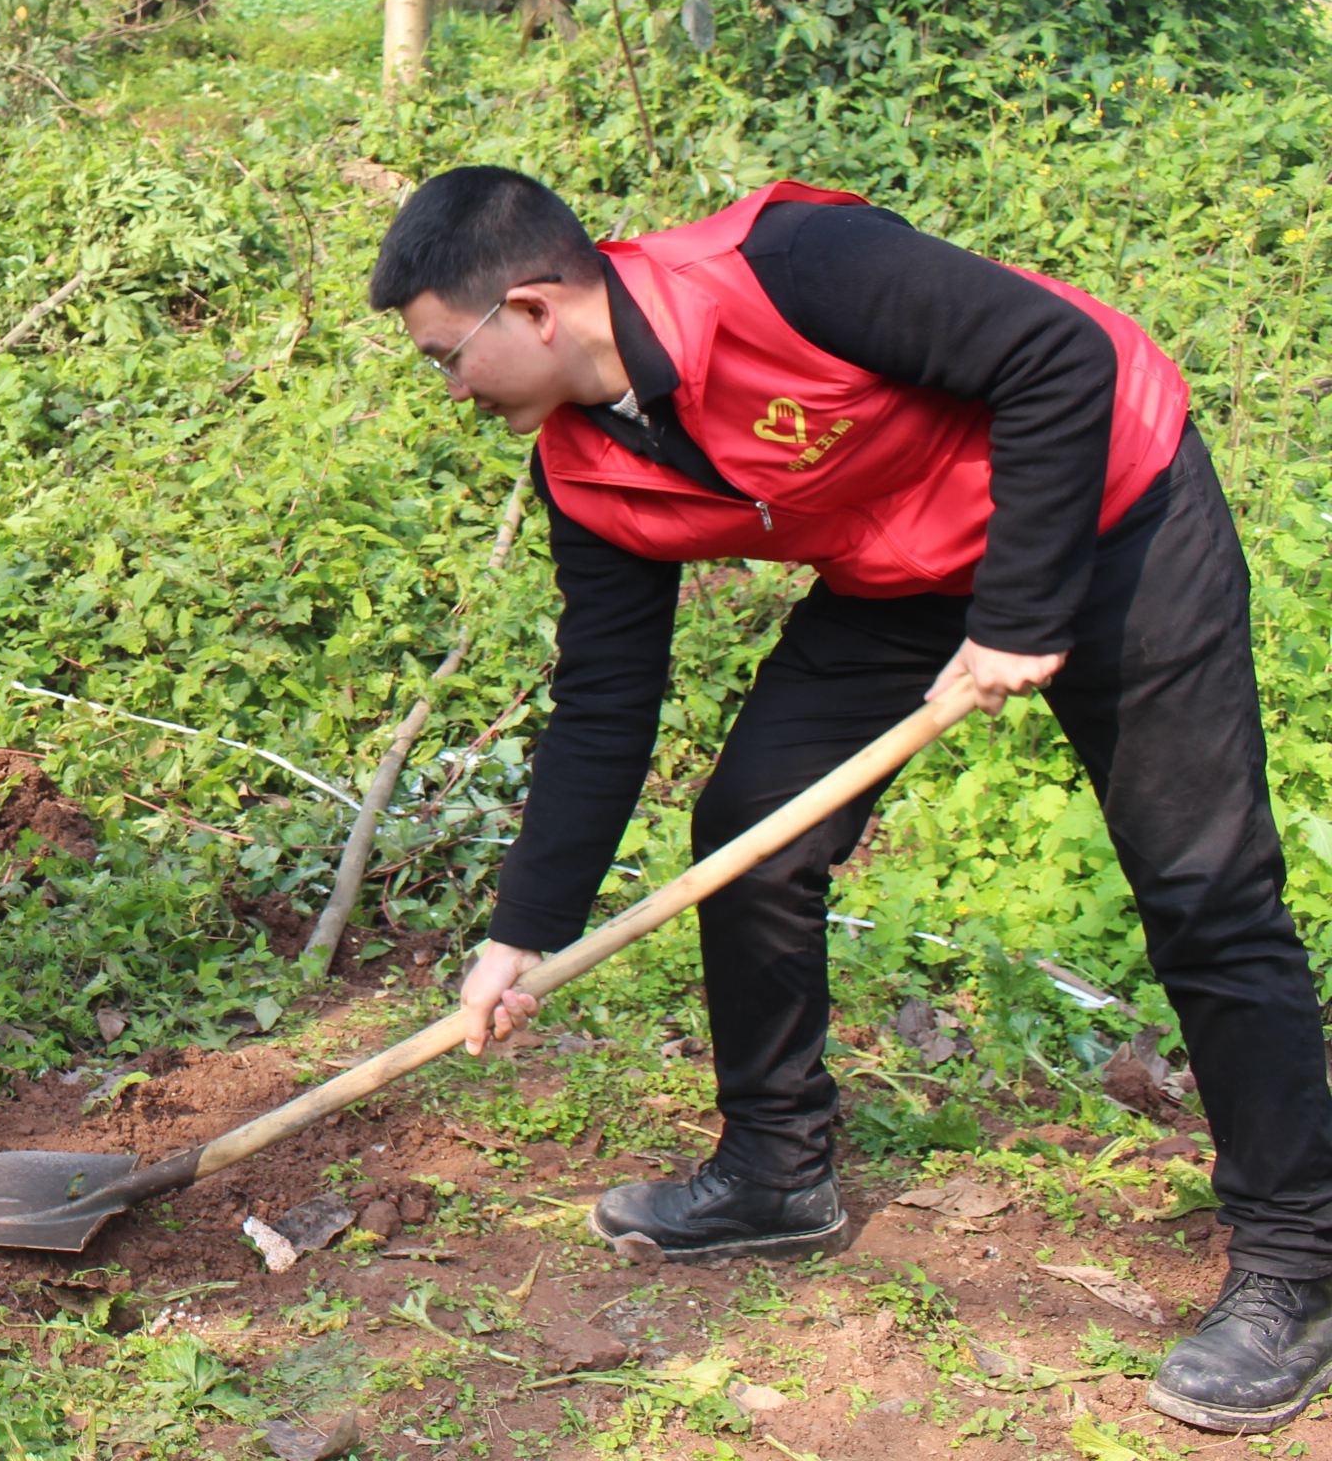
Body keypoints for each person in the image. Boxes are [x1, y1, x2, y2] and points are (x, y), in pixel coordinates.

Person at [381, 170, 1332, 1438]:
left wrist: (1021, 615)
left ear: (537, 309)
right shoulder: (587, 470)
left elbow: (1058, 358)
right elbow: (608, 702)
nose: (450, 392)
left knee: (1203, 890)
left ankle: (1297, 1262)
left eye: (450, 358)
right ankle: (775, 1175)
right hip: (905, 570)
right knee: (750, 835)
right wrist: (523, 930)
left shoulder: (791, 267)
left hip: (1109, 510)